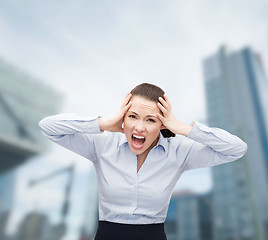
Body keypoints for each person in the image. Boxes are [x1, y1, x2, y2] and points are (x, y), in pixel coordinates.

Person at [39, 83, 248, 240]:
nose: (139, 127)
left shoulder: (178, 152)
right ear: (123, 117)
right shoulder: (103, 145)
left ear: (162, 124)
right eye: (132, 116)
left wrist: (182, 128)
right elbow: (48, 127)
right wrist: (103, 123)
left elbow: (236, 149)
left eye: (150, 120)